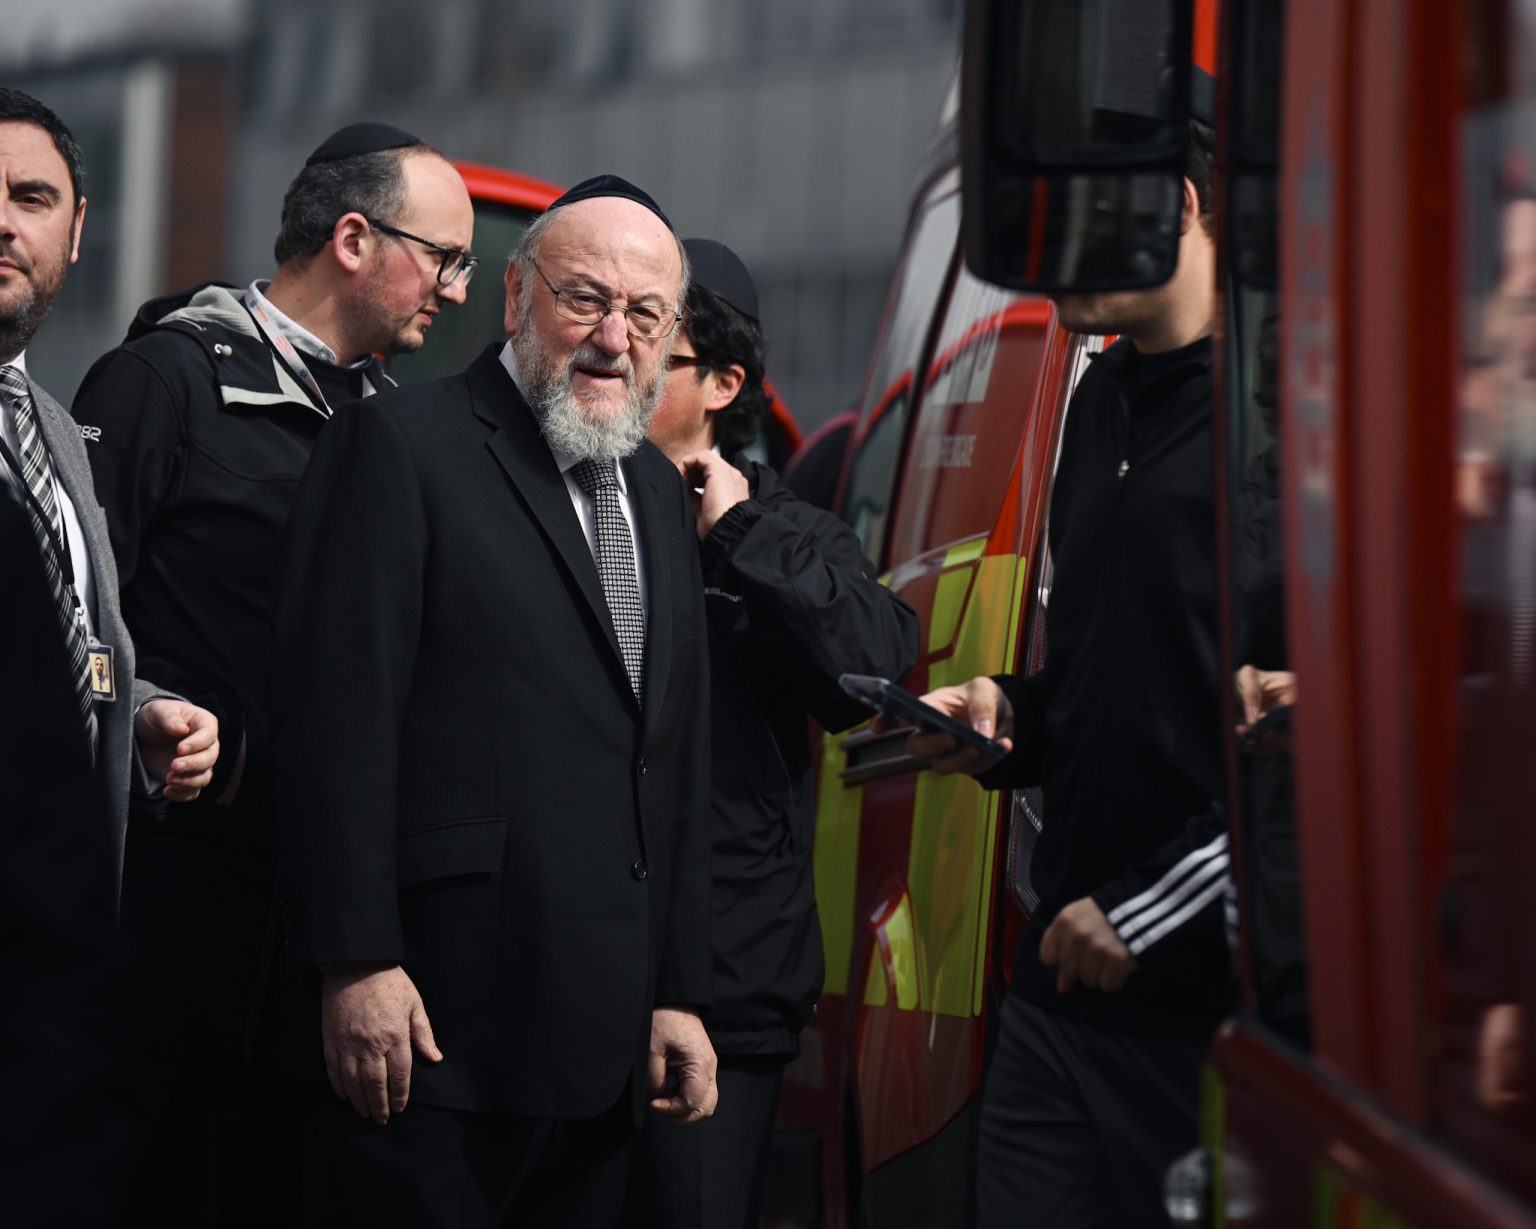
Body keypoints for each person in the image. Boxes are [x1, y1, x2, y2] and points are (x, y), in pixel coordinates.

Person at [271, 174, 717, 1228]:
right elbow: (336, 722)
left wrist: (679, 988)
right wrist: (356, 957)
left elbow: (674, 753)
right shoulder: (400, 444)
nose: (613, 337)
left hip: (609, 1046)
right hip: (440, 1030)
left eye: (645, 314)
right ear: (515, 294)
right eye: (585, 299)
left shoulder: (661, 491)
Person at [66, 120, 475, 1226]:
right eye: (445, 257)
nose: (458, 290)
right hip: (169, 911)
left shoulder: (401, 428)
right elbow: (64, 621)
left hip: (322, 925)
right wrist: (153, 715)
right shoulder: (161, 381)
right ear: (355, 238)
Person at [906, 115, 1232, 1227]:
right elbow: (1111, 680)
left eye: (1078, 219)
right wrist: (1012, 716)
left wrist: (1147, 913)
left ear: (1178, 207)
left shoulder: (1282, 424)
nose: (1047, 256)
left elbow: (1320, 746)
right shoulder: (1096, 403)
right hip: (1055, 990)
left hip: (1193, 1011)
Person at [628, 239, 919, 1228]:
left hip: (725, 989)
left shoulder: (784, 529)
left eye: (652, 342)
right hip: (563, 975)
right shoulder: (561, 505)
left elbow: (871, 665)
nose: (616, 354)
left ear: (723, 384)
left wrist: (739, 536)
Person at [0, 87, 219, 1223]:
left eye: (31, 197)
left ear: (78, 231)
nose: (3, 223)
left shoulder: (54, 430)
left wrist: (140, 710)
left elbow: (62, 650)